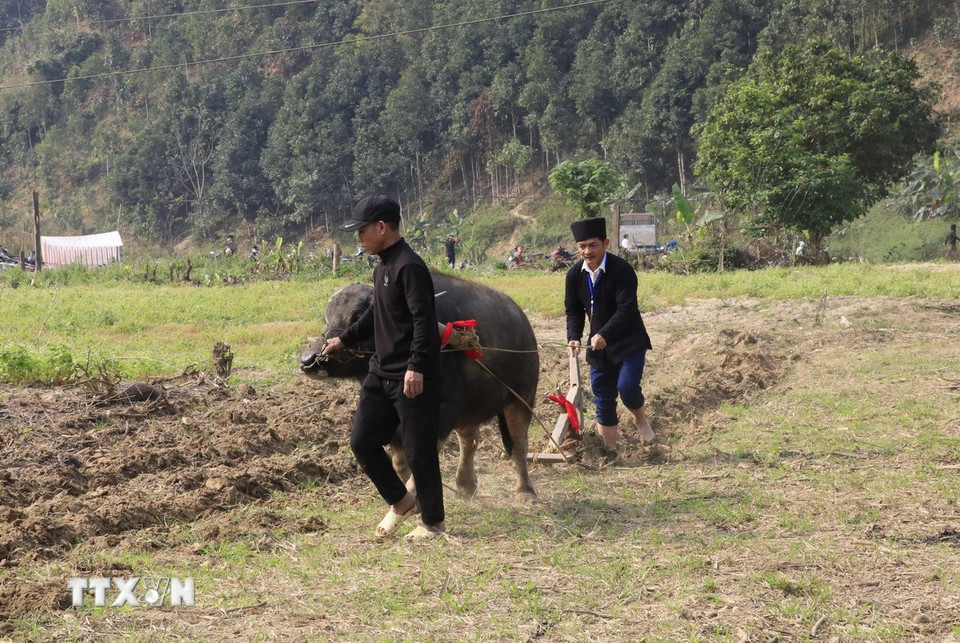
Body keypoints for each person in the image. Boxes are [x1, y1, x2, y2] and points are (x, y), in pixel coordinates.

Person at [321, 195, 445, 541]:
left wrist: (417, 366)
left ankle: (433, 523)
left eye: (361, 231)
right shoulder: (383, 267)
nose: (358, 238)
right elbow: (377, 315)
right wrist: (343, 340)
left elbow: (424, 320)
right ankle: (401, 500)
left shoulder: (410, 266)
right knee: (362, 441)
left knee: (419, 451)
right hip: (382, 373)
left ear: (381, 228)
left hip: (411, 375)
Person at [565, 217, 654, 461]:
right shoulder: (574, 275)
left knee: (627, 388)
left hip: (628, 341)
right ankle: (610, 455)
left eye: (592, 245)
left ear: (605, 243)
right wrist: (573, 336)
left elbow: (627, 309)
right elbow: (573, 310)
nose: (587, 251)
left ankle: (640, 419)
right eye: (582, 246)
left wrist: (605, 334)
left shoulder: (622, 270)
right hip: (597, 346)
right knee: (603, 398)